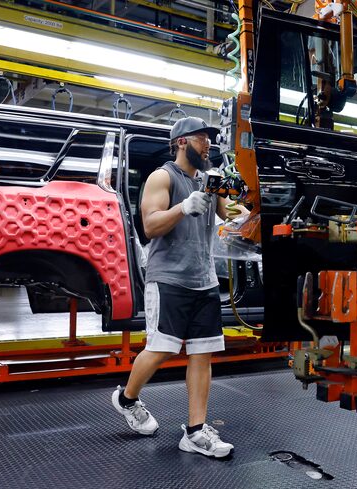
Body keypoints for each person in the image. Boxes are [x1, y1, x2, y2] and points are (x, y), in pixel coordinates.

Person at [111, 117, 246, 458]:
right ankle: (126, 399)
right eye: (202, 139)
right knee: (163, 348)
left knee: (203, 352)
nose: (208, 145)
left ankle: (196, 431)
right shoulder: (163, 176)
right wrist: (183, 207)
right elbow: (150, 224)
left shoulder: (206, 179)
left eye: (210, 140)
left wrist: (240, 211)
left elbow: (226, 213)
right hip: (168, 278)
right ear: (182, 141)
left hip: (204, 280)